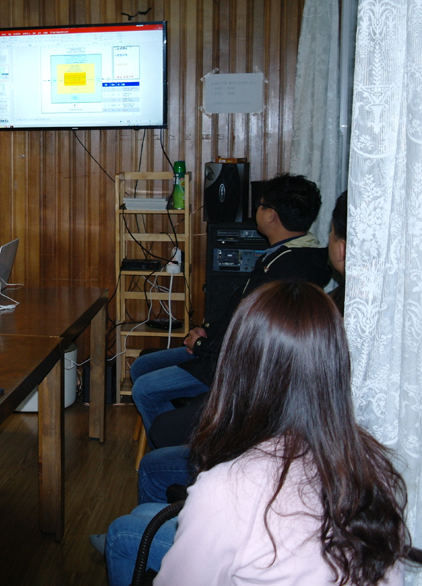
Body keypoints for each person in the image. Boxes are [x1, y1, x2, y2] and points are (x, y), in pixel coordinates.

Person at [106, 281, 408, 585]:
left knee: (121, 533)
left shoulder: (226, 489)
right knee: (146, 513)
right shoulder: (375, 468)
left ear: (239, 367)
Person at [130, 173, 331, 434]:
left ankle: (182, 446)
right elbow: (238, 316)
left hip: (234, 366)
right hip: (221, 349)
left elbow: (251, 337)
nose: (257, 211)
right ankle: (176, 431)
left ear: (271, 216)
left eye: (261, 206)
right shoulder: (291, 254)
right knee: (142, 366)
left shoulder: (286, 270)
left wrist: (201, 345)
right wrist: (206, 332)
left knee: (145, 389)